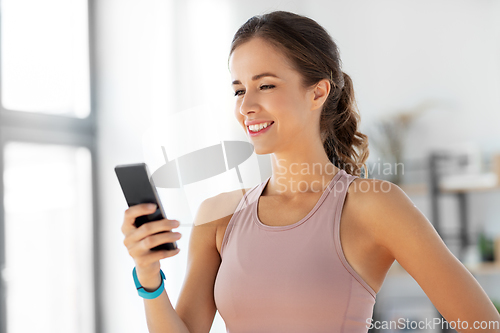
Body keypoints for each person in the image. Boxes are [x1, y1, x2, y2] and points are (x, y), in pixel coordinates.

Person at [121, 10, 500, 333]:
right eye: (238, 91)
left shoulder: (374, 206)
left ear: (317, 93)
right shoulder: (217, 215)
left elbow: (484, 324)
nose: (247, 106)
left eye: (265, 85)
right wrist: (149, 276)